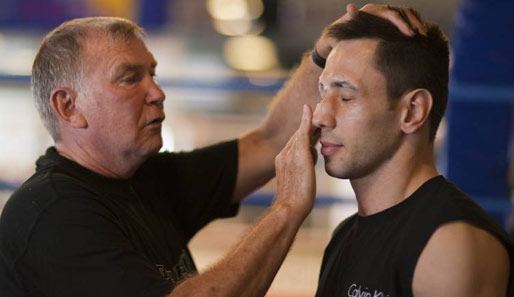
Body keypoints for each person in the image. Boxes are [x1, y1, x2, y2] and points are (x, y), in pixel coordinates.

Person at [0, 4, 420, 297]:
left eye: (153, 75)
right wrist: (286, 209)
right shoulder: (51, 214)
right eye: (130, 79)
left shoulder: (146, 178)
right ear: (68, 107)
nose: (157, 93)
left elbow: (268, 142)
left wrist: (321, 55)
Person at [310, 7, 514, 297]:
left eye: (346, 96)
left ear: (412, 111)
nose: (321, 117)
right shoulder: (345, 234)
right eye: (323, 94)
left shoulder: (449, 245)